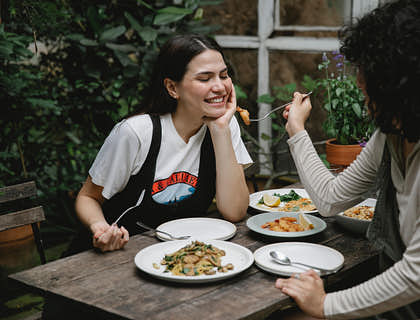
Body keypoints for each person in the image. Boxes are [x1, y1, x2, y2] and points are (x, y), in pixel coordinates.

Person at [275, 0, 420, 319]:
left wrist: (326, 305)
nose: (358, 83)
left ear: (396, 81)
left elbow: (416, 274)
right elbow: (329, 199)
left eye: (366, 72)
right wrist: (297, 129)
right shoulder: (391, 135)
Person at [73, 34, 252, 253]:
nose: (220, 87)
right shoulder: (137, 133)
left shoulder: (224, 125)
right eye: (205, 78)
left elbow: (234, 212)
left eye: (223, 76)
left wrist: (222, 131)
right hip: (118, 254)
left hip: (181, 255)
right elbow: (87, 197)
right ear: (172, 88)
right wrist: (100, 228)